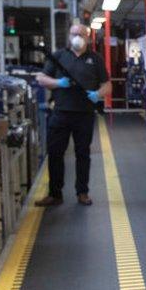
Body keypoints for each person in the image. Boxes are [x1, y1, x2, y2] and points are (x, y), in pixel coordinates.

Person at [34, 24, 111, 207]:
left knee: (83, 154)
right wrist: (58, 83)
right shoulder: (59, 56)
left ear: (88, 37)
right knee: (55, 154)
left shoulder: (95, 59)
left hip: (84, 115)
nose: (77, 37)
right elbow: (41, 79)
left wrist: (98, 94)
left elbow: (107, 85)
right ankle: (55, 194)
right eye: (74, 34)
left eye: (81, 34)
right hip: (60, 113)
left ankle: (82, 192)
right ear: (69, 36)